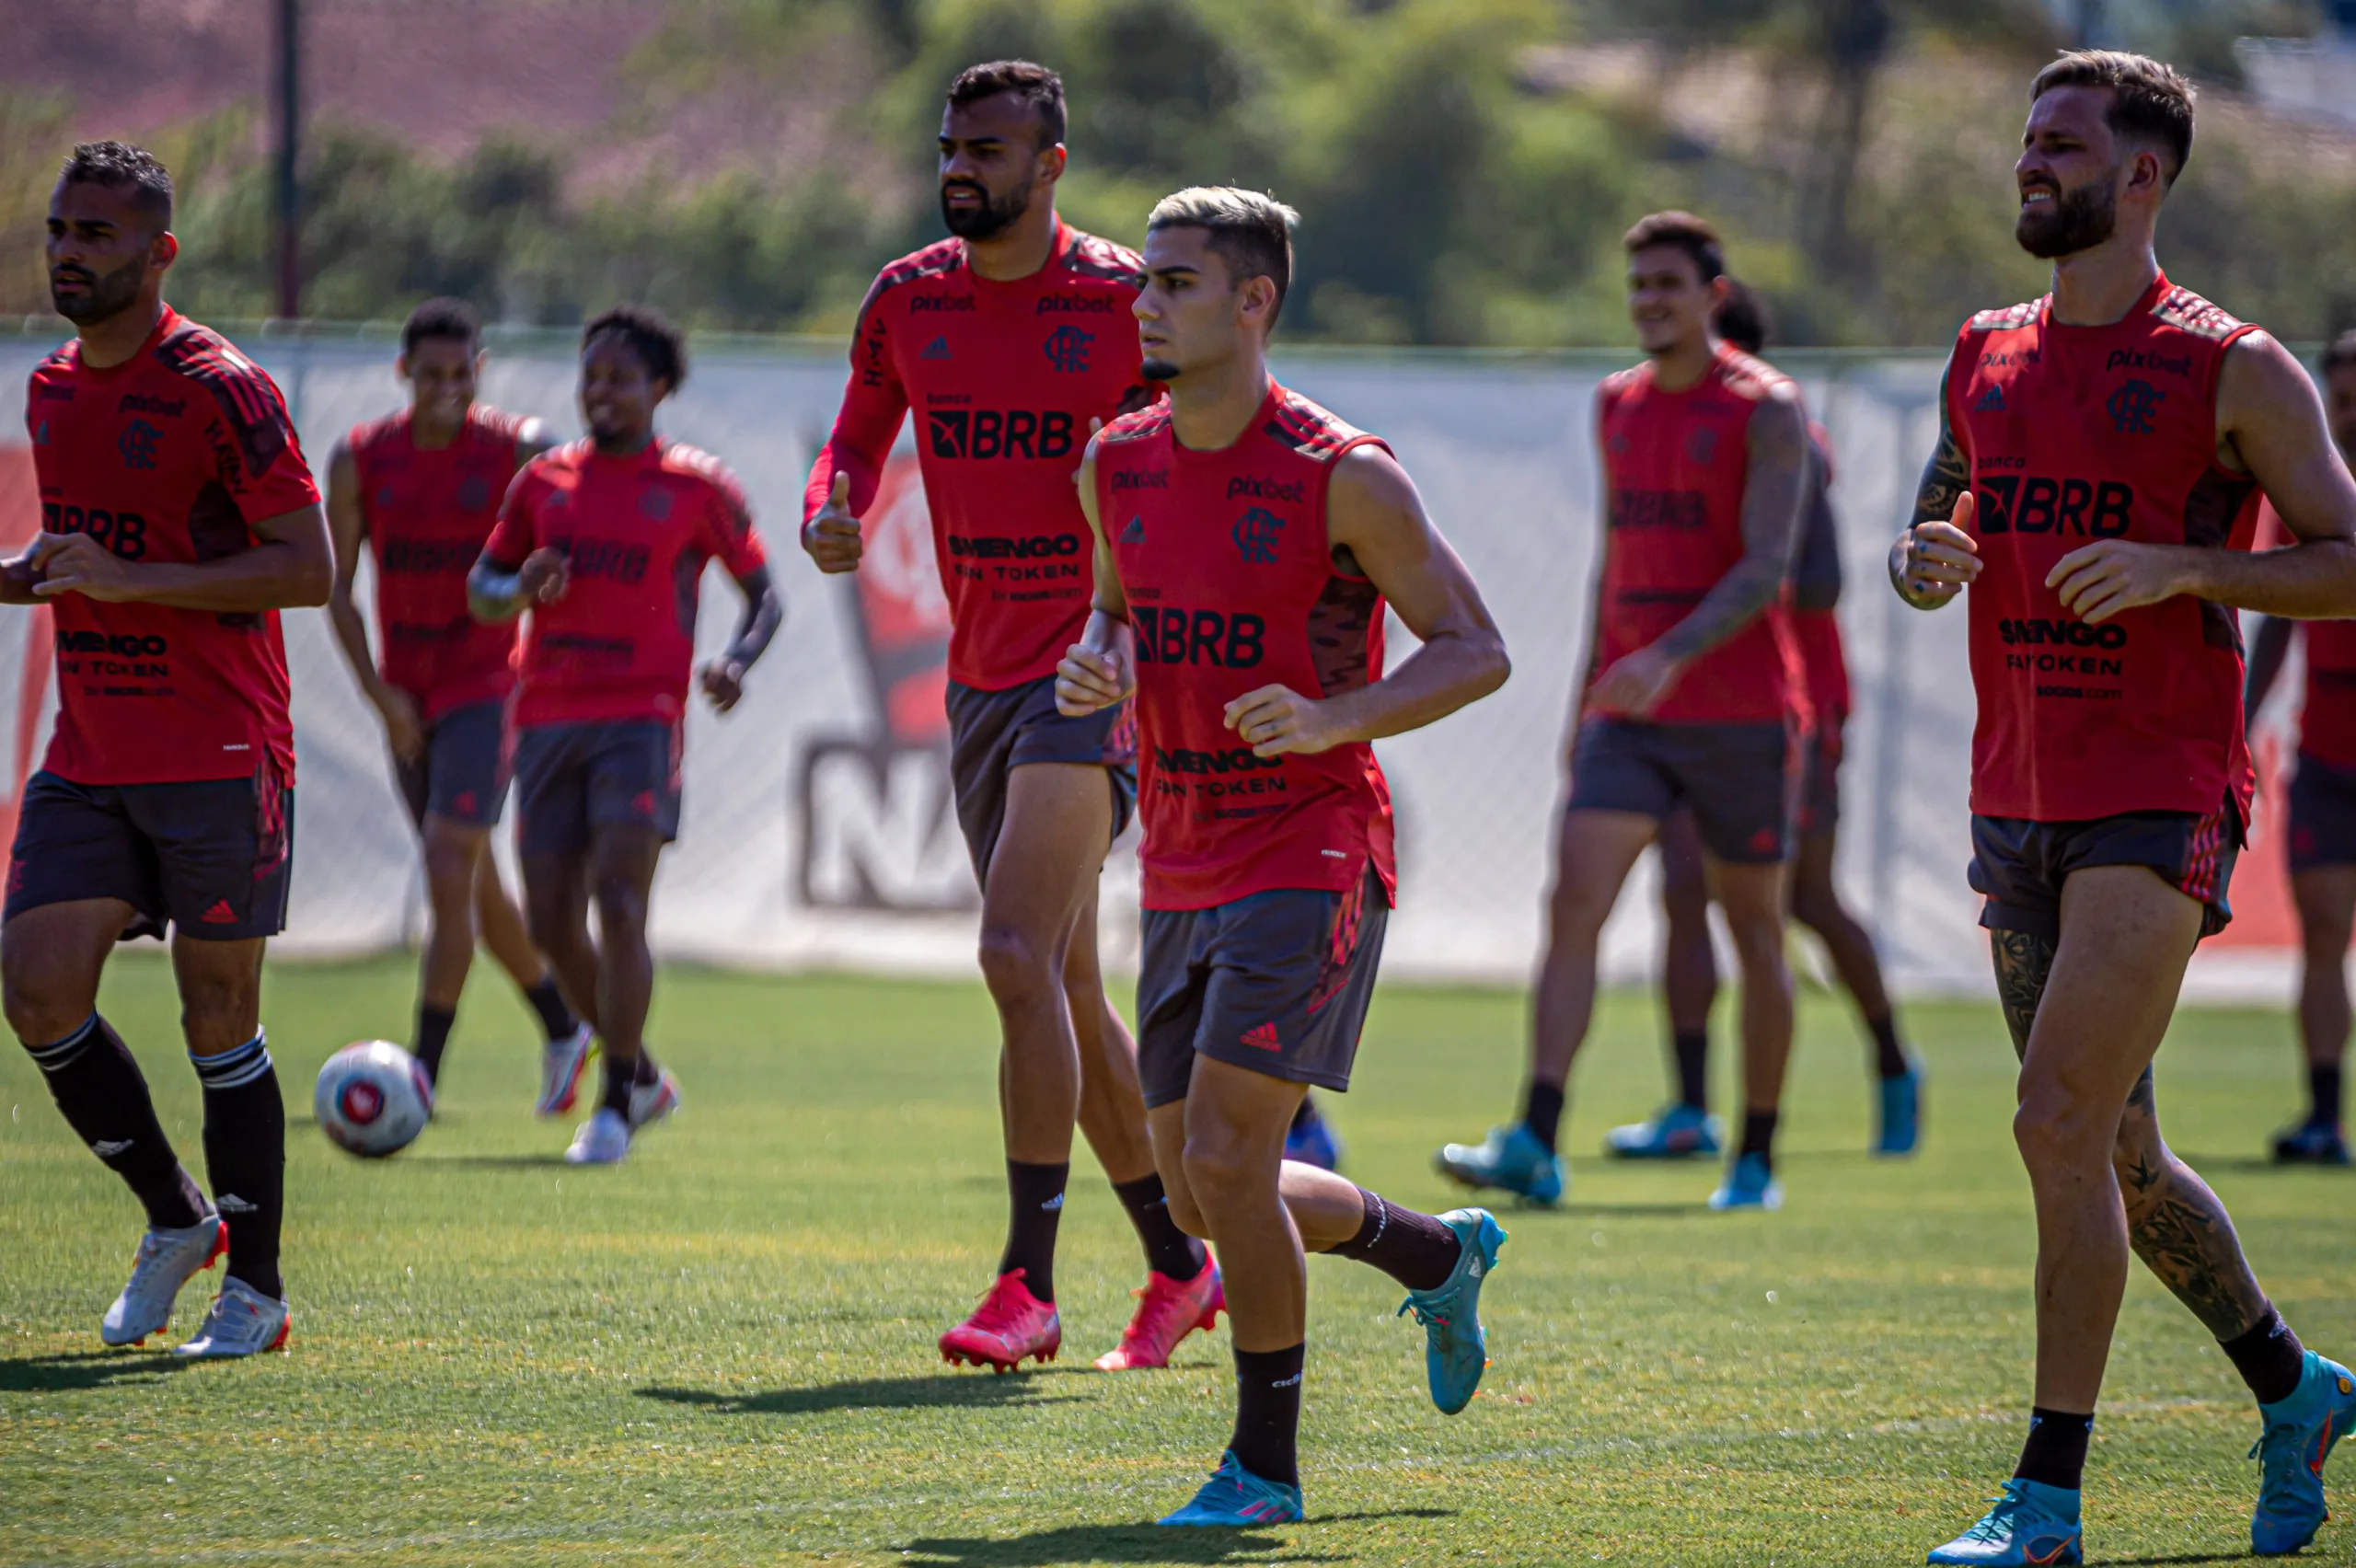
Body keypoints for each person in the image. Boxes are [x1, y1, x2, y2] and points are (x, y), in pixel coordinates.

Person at [1891, 52, 2356, 1563]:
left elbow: (2346, 555)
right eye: (2028, 141)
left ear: (2143, 177)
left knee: (2055, 1120)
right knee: (2123, 1159)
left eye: (2064, 147)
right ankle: (2297, 1387)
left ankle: (2045, 1501)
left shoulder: (2235, 367)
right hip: (2013, 791)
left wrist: (2188, 564)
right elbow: (1940, 506)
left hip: (2158, 793)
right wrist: (1928, 558)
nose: (2032, 165)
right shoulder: (1985, 345)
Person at [1057, 186, 1512, 1527]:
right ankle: (1431, 1249)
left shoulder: (1342, 472)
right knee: (1201, 1194)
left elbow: (1476, 648)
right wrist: (1101, 664)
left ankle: (1263, 1472)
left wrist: (1334, 717)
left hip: (1312, 847)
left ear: (1254, 302)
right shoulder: (1116, 460)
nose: (1145, 302)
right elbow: (1114, 622)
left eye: (1177, 284)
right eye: (1145, 280)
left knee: (1228, 1154)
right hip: (1182, 857)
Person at [802, 60, 1226, 1373]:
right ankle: (1177, 1264)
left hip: (1097, 669)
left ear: (1051, 164)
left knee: (1006, 954)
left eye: (986, 147)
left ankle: (1025, 1286)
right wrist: (834, 503)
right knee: (1059, 983)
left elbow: (1188, 465)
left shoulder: (1118, 301)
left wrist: (1137, 627)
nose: (959, 166)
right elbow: (855, 437)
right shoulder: (908, 297)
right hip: (978, 676)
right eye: (950, 145)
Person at [1, 142, 330, 1356]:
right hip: (89, 748)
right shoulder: (50, 389)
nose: (70, 253)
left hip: (220, 750)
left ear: (159, 252)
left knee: (217, 1019)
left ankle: (261, 1291)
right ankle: (176, 1220)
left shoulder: (221, 388)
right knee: (33, 985)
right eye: (60, 230)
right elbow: (81, 556)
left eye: (97, 234)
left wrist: (134, 581)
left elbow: (307, 567)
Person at [1437, 213, 1811, 1212]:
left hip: (1738, 717)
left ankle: (1757, 1156)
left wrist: (1669, 656)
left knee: (1754, 933)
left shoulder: (1765, 407)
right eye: (1637, 285)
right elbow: (1614, 560)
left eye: (1667, 285)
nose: (1648, 301)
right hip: (1628, 716)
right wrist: (1585, 697)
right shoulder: (1615, 403)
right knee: (1573, 906)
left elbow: (1766, 568)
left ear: (1712, 296)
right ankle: (1536, 1136)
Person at [1610, 282, 1923, 1161]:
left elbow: (1815, 581)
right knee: (1679, 888)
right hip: (1684, 703)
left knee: (1806, 902)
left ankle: (1896, 1064)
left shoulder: (1786, 440)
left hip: (1791, 703)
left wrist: (1736, 567)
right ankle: (1689, 1107)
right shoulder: (1662, 433)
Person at [468, 306, 780, 1166]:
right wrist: (518, 585)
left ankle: (610, 1108)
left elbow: (766, 598)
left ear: (660, 388)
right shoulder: (543, 483)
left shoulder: (695, 486)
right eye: (591, 375)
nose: (601, 392)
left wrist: (734, 662)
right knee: (551, 921)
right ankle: (640, 1072)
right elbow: (483, 590)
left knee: (621, 899)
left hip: (641, 720)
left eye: (622, 377)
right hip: (545, 719)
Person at [326, 297, 590, 1115]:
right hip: (408, 695)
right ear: (404, 374)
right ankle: (561, 1026)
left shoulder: (519, 450)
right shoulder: (361, 458)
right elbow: (335, 590)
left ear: (481, 370)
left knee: (449, 865)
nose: (447, 387)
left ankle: (421, 1073)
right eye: (431, 373)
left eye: (461, 372)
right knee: (470, 886)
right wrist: (379, 698)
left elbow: (566, 548)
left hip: (488, 688)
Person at [2245, 330, 2356, 1167]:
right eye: (2339, 398)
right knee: (2323, 929)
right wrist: (2238, 724)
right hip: (2324, 758)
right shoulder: (2309, 492)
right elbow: (2280, 617)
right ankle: (2323, 1114)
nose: (2348, 414)